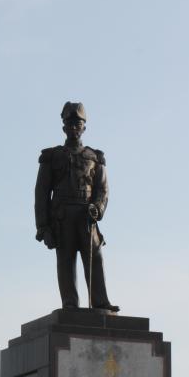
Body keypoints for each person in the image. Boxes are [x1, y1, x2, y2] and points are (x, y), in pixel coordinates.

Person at [34, 101, 118, 312]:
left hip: (86, 216)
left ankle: (100, 302)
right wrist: (43, 227)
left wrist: (98, 208)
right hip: (62, 218)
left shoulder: (95, 158)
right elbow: (41, 193)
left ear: (84, 128)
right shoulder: (52, 157)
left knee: (95, 257)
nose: (73, 128)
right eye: (69, 123)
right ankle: (70, 304)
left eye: (77, 124)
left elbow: (103, 189)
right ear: (63, 127)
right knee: (66, 261)